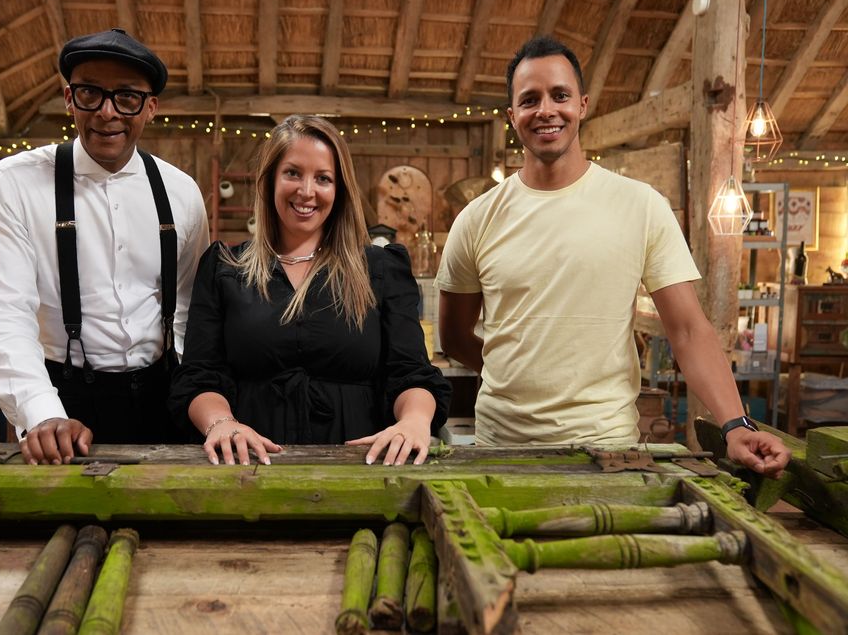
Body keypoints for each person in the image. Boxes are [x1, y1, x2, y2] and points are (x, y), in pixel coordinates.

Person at [436, 36, 790, 478]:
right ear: (512, 116)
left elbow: (687, 329)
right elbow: (453, 337)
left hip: (607, 451)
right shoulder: (477, 218)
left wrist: (736, 425)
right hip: (503, 449)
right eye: (530, 99)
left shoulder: (640, 206)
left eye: (559, 95)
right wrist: (521, 369)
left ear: (582, 105)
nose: (546, 109)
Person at [0, 28, 209, 465]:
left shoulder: (182, 192)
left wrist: (193, 396)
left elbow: (188, 307)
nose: (106, 113)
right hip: (61, 400)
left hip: (162, 396)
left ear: (150, 107)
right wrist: (41, 413)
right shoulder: (14, 182)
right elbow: (4, 310)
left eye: (126, 97)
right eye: (89, 93)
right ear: (69, 97)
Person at [169, 115, 451, 466]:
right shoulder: (224, 266)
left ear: (339, 189)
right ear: (270, 180)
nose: (307, 190)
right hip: (248, 467)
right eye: (292, 173)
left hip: (359, 467)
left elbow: (410, 372)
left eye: (323, 178)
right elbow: (200, 375)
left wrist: (414, 420)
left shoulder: (381, 269)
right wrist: (221, 423)